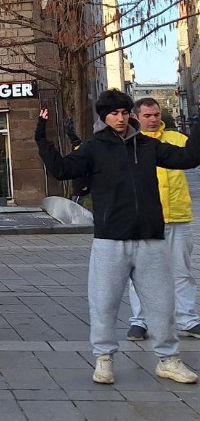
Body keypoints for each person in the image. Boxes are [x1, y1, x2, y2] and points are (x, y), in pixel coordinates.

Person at [35, 89, 200, 385]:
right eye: (114, 113)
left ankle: (168, 359)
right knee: (104, 302)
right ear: (104, 117)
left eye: (124, 112)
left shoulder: (148, 146)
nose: (120, 118)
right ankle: (104, 359)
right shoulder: (93, 148)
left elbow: (189, 157)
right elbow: (61, 170)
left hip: (150, 238)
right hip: (110, 240)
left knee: (161, 302)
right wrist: (41, 137)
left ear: (131, 114)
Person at [126, 98, 200, 341]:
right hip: (145, 219)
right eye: (147, 115)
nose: (153, 119)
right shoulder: (130, 143)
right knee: (141, 273)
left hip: (177, 216)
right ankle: (139, 322)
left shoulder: (175, 139)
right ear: (136, 117)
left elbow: (193, 152)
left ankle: (187, 320)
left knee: (182, 272)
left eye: (156, 114)